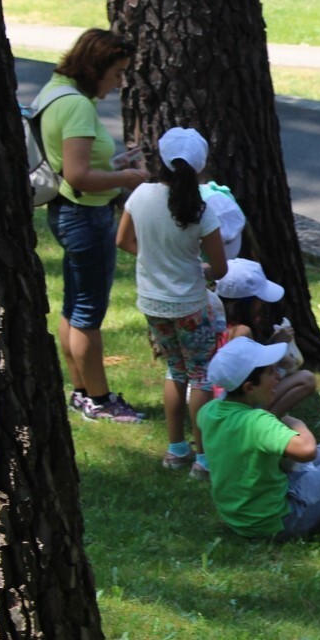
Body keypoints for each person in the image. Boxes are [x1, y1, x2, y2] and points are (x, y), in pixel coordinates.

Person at [36, 27, 148, 422]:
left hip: (68, 212)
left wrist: (113, 166)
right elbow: (78, 175)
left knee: (74, 306)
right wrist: (126, 178)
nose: (118, 83)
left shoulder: (55, 91)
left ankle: (82, 391)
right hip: (84, 215)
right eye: (116, 73)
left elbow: (70, 163)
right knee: (88, 313)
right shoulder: (77, 107)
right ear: (95, 67)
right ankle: (101, 400)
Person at [198, 337, 320, 556]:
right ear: (249, 387)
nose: (278, 376)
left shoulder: (209, 411)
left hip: (240, 517)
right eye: (271, 372)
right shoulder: (257, 421)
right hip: (280, 521)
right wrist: (297, 423)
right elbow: (307, 451)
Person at [115, 127, 227, 478]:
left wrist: (151, 259)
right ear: (199, 165)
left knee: (175, 371)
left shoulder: (141, 195)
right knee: (201, 376)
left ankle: (176, 449)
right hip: (190, 303)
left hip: (153, 303)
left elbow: (123, 240)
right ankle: (204, 459)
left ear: (161, 159)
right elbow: (220, 268)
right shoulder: (201, 208)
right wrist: (201, 269)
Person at [216, 258, 315, 419]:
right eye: (259, 299)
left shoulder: (216, 320)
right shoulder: (241, 332)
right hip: (236, 399)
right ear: (247, 303)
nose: (262, 303)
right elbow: (250, 376)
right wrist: (280, 356)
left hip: (222, 395)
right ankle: (261, 423)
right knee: (306, 380)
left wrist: (273, 343)